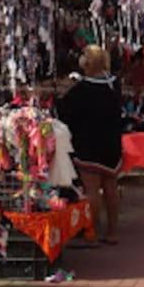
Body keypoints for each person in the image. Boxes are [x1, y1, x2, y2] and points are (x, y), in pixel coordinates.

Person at [58, 45, 123, 245]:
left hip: (89, 144)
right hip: (112, 143)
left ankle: (91, 234)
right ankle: (112, 232)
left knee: (92, 189)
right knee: (111, 187)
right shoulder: (114, 85)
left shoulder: (81, 89)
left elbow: (64, 112)